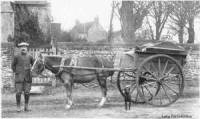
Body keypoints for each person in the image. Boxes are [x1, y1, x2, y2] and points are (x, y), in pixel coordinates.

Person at [11, 42, 34, 112]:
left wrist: (32, 71)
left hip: (27, 77)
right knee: (18, 92)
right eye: (22, 47)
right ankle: (18, 107)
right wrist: (17, 72)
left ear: (27, 48)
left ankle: (26, 107)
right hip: (19, 78)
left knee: (27, 92)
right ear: (19, 48)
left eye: (25, 47)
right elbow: (12, 66)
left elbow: (34, 65)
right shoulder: (16, 56)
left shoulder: (30, 56)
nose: (23, 48)